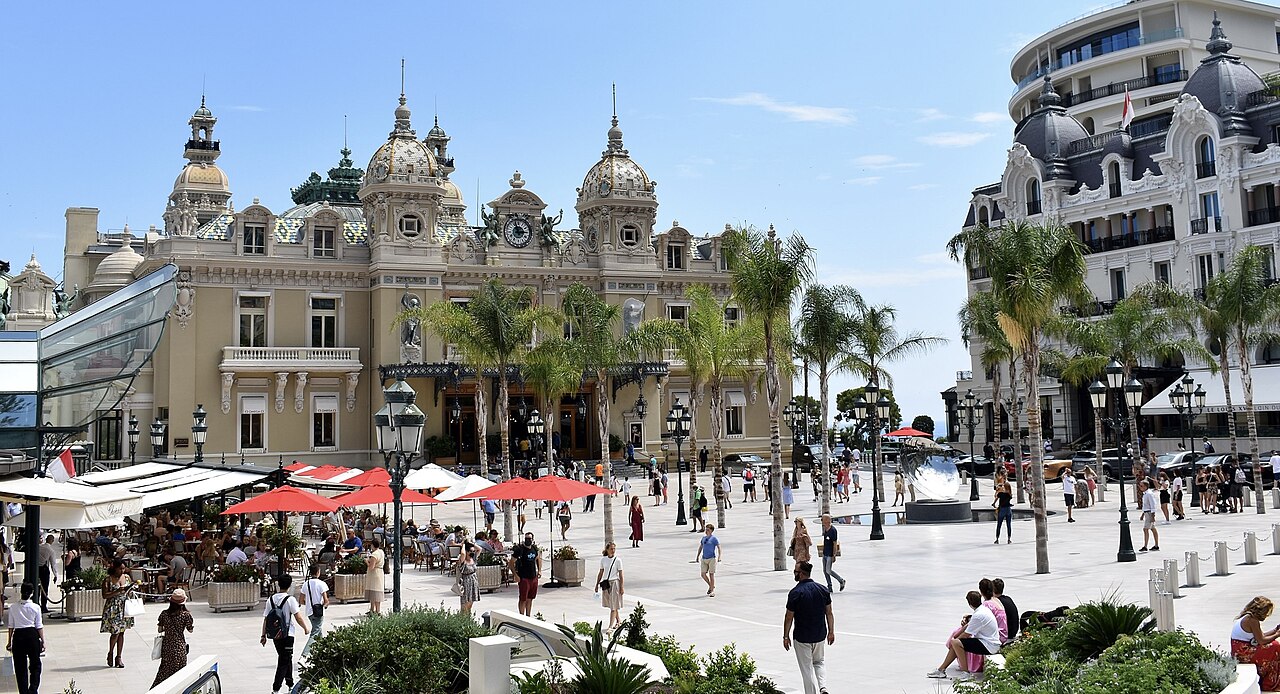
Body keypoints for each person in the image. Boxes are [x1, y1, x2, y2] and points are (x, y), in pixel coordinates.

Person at [783, 561, 834, 694]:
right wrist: (831, 632)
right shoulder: (823, 590)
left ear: (801, 574)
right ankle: (823, 688)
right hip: (820, 635)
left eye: (795, 571)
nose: (794, 574)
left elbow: (789, 617)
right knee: (819, 662)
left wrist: (785, 636)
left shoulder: (795, 593)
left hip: (802, 637)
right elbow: (829, 612)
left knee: (807, 669)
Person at [927, 590, 1001, 680]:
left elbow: (966, 635)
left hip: (989, 645)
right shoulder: (983, 610)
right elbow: (967, 628)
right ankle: (941, 669)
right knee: (956, 643)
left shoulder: (978, 615)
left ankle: (966, 673)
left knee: (956, 643)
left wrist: (954, 642)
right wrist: (955, 641)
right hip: (989, 642)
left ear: (969, 604)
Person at [262, 573, 309, 694]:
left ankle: (290, 684)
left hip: (275, 635)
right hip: (288, 635)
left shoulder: (270, 599)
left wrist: (263, 635)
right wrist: (305, 628)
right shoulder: (290, 600)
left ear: (278, 584)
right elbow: (298, 617)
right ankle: (276, 688)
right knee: (283, 660)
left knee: (286, 657)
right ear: (289, 586)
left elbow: (266, 619)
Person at [1231, 596, 1280, 691]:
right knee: (1275, 647)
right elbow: (1261, 640)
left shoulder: (1248, 617)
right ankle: (1269, 683)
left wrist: (1275, 631)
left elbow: (1260, 636)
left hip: (1242, 650)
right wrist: (1277, 635)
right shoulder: (1252, 620)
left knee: (1273, 644)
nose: (1266, 615)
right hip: (1244, 653)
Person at [151, 588, 194, 687]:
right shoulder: (186, 615)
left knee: (163, 673)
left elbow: (160, 630)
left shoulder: (164, 614)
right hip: (179, 647)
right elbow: (190, 630)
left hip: (167, 646)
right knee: (179, 674)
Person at [7, 582, 43, 694]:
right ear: (31, 593)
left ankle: (23, 691)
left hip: (18, 636)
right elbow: (39, 626)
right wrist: (43, 641)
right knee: (35, 664)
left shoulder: (13, 607)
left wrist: (9, 642)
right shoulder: (36, 607)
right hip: (31, 634)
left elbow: (11, 626)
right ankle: (33, 689)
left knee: (19, 666)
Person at [101, 558, 134, 669]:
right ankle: (111, 652)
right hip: (113, 607)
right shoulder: (108, 580)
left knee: (122, 633)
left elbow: (130, 591)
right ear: (114, 568)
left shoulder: (127, 578)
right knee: (115, 632)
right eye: (120, 569)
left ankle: (119, 657)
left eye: (124, 569)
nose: (122, 571)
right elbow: (105, 595)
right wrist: (117, 591)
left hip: (124, 606)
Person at [299, 563, 329, 659]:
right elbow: (325, 600)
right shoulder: (321, 584)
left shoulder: (305, 584)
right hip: (318, 612)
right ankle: (304, 655)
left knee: (318, 632)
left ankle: (323, 652)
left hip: (309, 612)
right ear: (318, 572)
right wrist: (325, 605)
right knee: (315, 633)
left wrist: (308, 604)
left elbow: (301, 600)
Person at [594, 542, 624, 630]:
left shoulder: (618, 560)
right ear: (607, 550)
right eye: (611, 549)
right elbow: (601, 572)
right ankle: (618, 620)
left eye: (614, 549)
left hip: (615, 583)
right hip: (606, 583)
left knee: (613, 606)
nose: (613, 551)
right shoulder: (603, 560)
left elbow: (621, 574)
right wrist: (596, 584)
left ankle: (610, 626)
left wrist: (622, 587)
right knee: (611, 604)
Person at [510, 532, 541, 616]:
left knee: (530, 598)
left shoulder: (534, 549)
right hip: (524, 578)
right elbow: (511, 563)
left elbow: (538, 558)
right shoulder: (520, 550)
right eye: (526, 538)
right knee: (523, 598)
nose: (528, 540)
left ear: (532, 540)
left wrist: (539, 570)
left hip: (533, 577)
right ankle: (521, 615)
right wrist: (515, 575)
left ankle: (528, 615)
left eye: (529, 539)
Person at [817, 514, 846, 593]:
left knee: (828, 570)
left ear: (827, 520)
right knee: (825, 571)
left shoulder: (833, 530)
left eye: (822, 519)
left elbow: (834, 543)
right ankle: (829, 586)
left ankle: (841, 580)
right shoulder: (825, 529)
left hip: (830, 554)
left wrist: (834, 555)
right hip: (825, 553)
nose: (821, 521)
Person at [696, 524, 721, 598]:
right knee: (703, 574)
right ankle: (711, 586)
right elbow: (701, 547)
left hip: (711, 558)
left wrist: (719, 557)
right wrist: (697, 556)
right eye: (706, 529)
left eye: (708, 530)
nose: (706, 531)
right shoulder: (703, 538)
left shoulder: (714, 539)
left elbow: (719, 547)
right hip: (704, 558)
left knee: (711, 574)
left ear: (711, 531)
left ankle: (712, 591)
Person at [456, 542, 480, 617]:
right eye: (470, 551)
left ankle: (468, 619)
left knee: (470, 604)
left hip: (473, 582)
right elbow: (463, 554)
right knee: (465, 604)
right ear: (466, 551)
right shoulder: (463, 561)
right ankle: (463, 619)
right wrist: (464, 544)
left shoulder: (473, 559)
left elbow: (479, 549)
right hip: (466, 582)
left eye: (473, 551)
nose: (472, 553)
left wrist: (471, 544)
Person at [36, 535, 56, 613]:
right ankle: (43, 606)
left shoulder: (39, 547)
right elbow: (53, 563)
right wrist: (55, 575)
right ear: (52, 541)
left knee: (37, 587)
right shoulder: (51, 550)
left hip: (36, 569)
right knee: (44, 588)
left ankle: (36, 603)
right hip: (44, 570)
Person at [365, 538, 385, 614]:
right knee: (375, 592)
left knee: (375, 592)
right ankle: (373, 609)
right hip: (379, 572)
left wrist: (366, 561)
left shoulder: (374, 555)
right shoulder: (381, 552)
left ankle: (376, 610)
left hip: (374, 574)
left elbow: (371, 567)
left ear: (372, 545)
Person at [1139, 480, 1160, 552]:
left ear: (1145, 486)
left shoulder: (1149, 494)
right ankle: (1156, 545)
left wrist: (1153, 516)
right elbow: (1145, 506)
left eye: (1141, 486)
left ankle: (1145, 546)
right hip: (1146, 513)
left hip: (1149, 513)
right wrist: (1142, 514)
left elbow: (1152, 505)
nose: (1140, 487)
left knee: (1145, 529)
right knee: (1153, 529)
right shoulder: (1145, 494)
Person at [993, 478, 1013, 544]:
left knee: (999, 524)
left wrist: (999, 488)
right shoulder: (1009, 495)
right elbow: (1010, 494)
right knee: (1009, 525)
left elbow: (996, 495)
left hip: (1002, 509)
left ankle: (997, 538)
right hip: (1008, 509)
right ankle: (1009, 539)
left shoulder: (1001, 494)